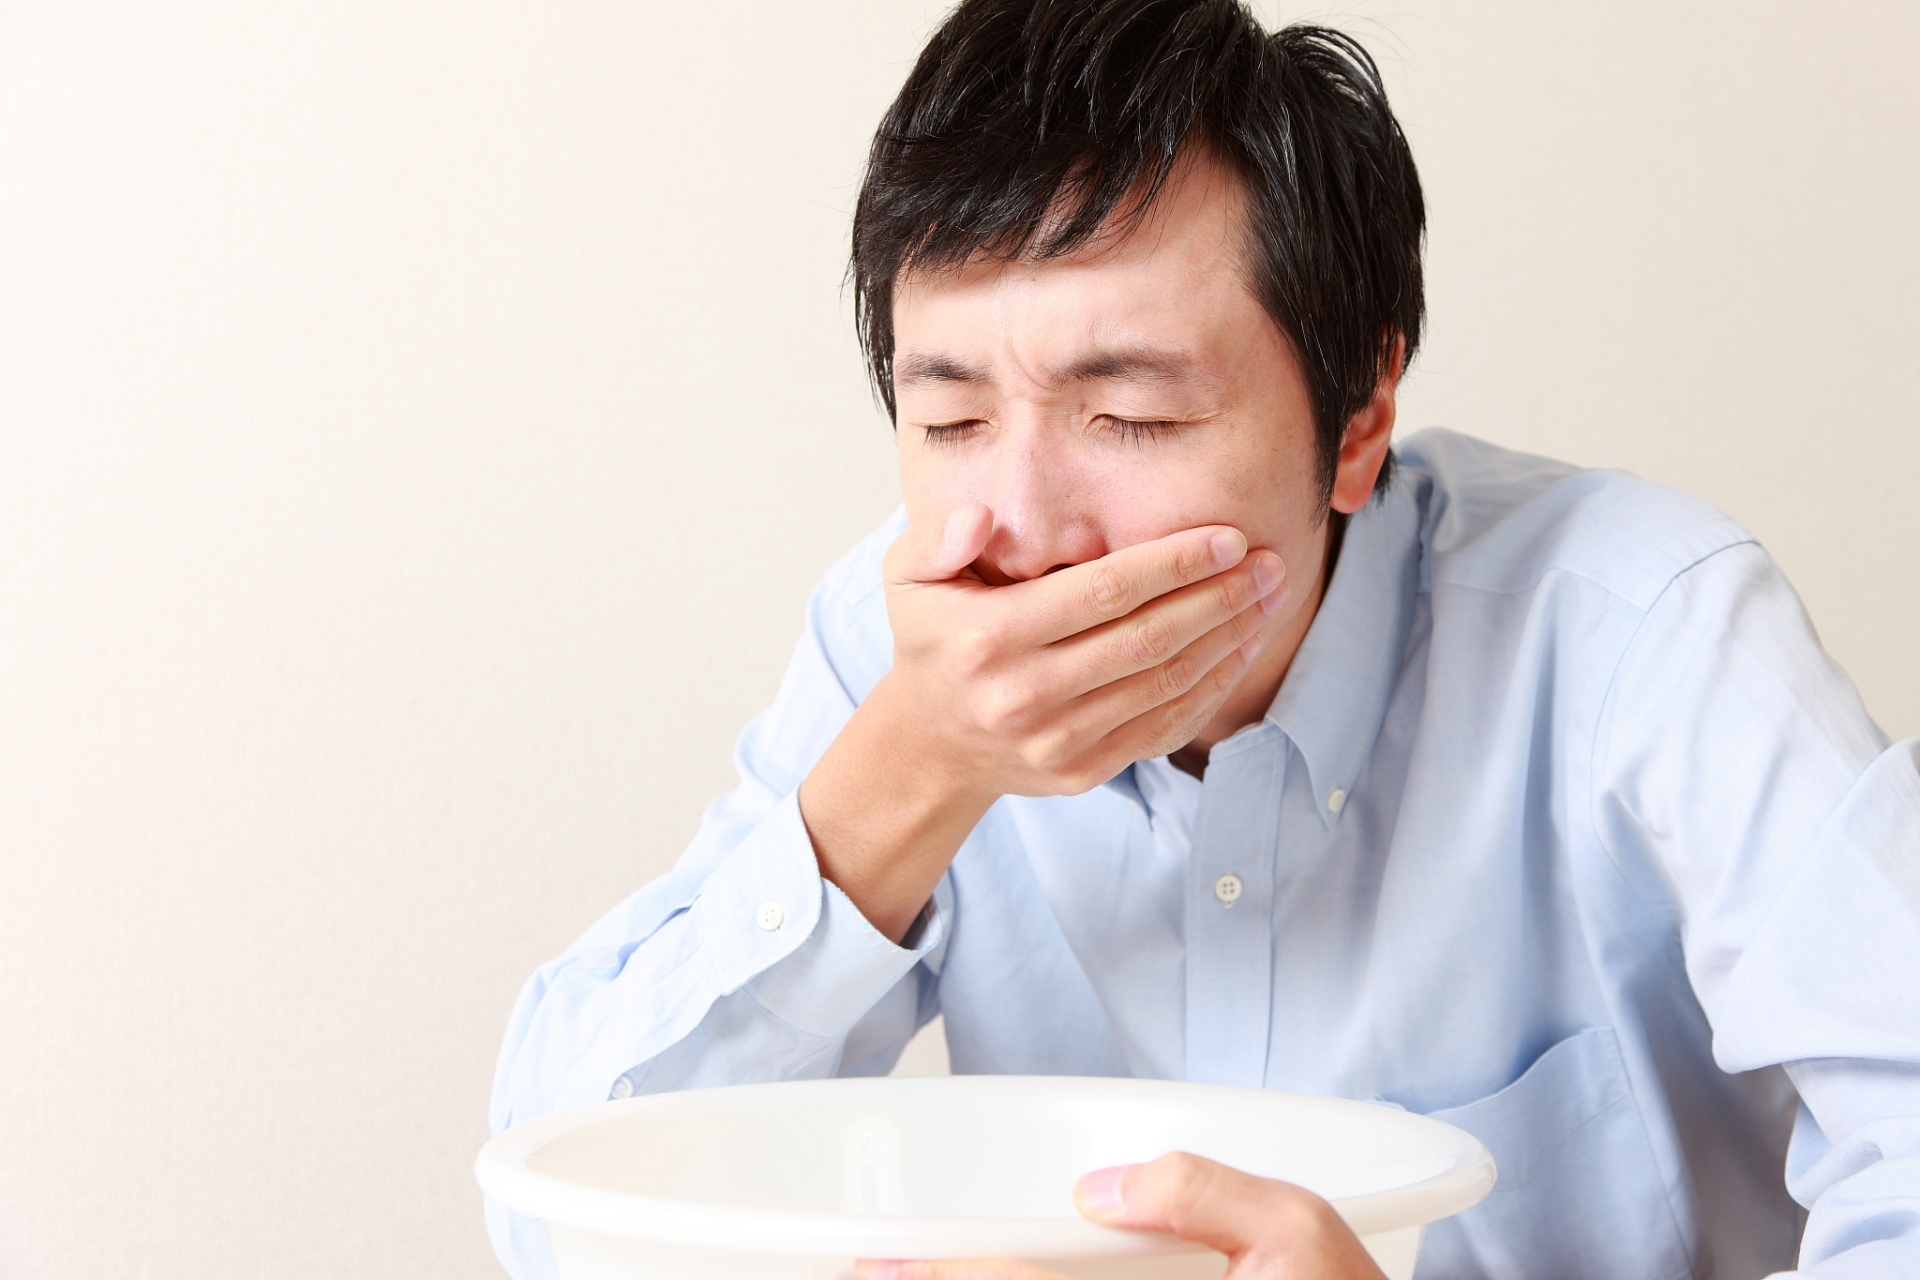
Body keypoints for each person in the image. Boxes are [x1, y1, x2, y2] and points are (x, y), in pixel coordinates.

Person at [486, 2, 1920, 1277]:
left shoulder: (1642, 633)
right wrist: (916, 768)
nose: (1027, 526)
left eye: (1135, 417)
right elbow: (559, 1216)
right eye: (952, 419)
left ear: (1358, 421)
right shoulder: (908, 644)